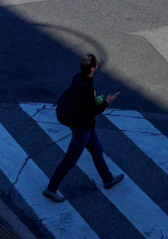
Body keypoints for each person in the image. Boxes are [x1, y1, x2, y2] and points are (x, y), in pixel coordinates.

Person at [42, 53, 124, 202]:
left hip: (83, 124)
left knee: (97, 150)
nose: (98, 65)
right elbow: (91, 112)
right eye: (97, 64)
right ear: (92, 68)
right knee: (70, 160)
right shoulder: (86, 85)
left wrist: (92, 101)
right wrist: (106, 102)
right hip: (82, 127)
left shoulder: (78, 77)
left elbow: (80, 103)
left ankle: (107, 179)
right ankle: (51, 189)